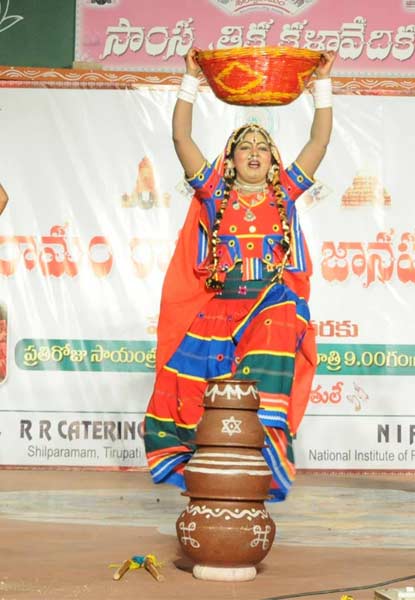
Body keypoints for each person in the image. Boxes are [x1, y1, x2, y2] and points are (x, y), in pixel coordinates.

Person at [144, 48, 335, 501]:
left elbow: (319, 143)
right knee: (200, 406)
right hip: (218, 316)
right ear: (230, 161)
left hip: (267, 309)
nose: (254, 152)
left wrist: (321, 86)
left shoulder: (284, 195)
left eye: (262, 147)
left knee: (281, 319)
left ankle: (263, 457)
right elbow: (180, 139)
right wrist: (190, 81)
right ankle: (216, 489)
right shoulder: (213, 194)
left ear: (273, 161)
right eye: (244, 146)